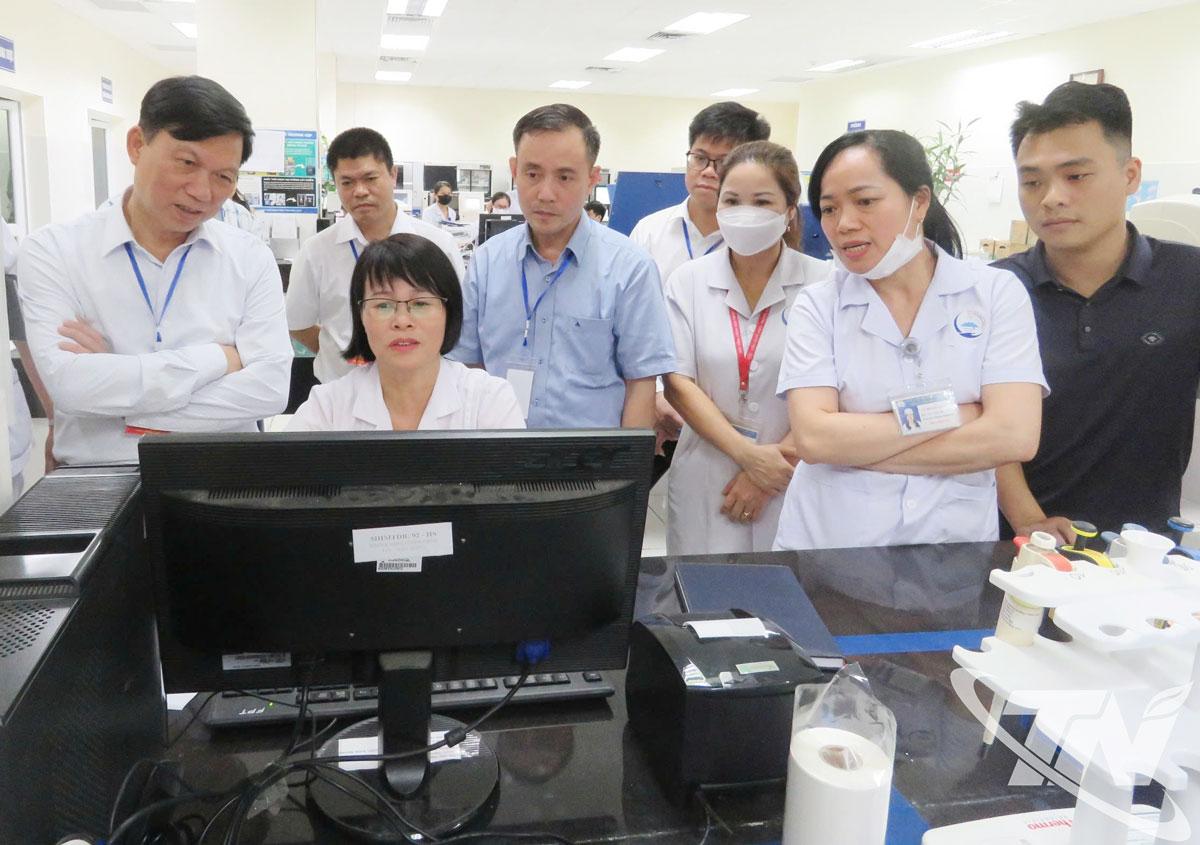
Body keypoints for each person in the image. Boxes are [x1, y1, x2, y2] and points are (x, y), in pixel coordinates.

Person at [774, 129, 1047, 550]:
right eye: (829, 209)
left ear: (918, 201)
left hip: (950, 553)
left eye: (865, 201)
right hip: (831, 548)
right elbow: (813, 438)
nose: (844, 224)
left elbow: (1015, 436)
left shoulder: (994, 293)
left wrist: (856, 448)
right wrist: (956, 413)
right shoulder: (817, 305)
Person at [17, 75, 291, 466]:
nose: (202, 191)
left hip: (219, 478)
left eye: (223, 177)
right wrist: (217, 359)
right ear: (136, 145)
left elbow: (269, 390)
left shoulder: (249, 258)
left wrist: (121, 398)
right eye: (187, 163)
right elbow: (69, 386)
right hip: (97, 477)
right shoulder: (54, 251)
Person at [994, 82, 1200, 540]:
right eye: (1032, 181)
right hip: (1011, 545)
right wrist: (1030, 522)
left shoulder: (1188, 280)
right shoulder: (994, 289)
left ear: (1130, 175)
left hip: (1143, 551)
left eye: (1076, 176)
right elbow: (983, 425)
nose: (1051, 197)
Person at [448, 104, 674, 429]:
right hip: (497, 454)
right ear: (514, 169)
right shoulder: (487, 261)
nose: (545, 193)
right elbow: (468, 364)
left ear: (592, 178)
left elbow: (640, 382)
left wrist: (625, 473)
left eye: (565, 177)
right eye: (532, 174)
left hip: (590, 465)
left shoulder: (629, 268)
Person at [663, 141, 828, 555]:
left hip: (791, 476)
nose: (745, 211)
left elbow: (839, 388)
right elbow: (679, 383)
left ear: (791, 210)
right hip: (707, 472)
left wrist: (768, 469)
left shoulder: (824, 284)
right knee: (700, 601)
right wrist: (747, 455)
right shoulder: (689, 281)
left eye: (762, 201)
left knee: (784, 600)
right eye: (733, 200)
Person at [630, 101, 772, 480]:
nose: (709, 172)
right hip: (659, 403)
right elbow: (632, 329)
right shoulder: (650, 232)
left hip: (734, 412)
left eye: (723, 161)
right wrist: (656, 396)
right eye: (700, 158)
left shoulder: (761, 242)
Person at [288, 234, 524, 431]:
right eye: (383, 305)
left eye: (420, 303)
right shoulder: (327, 408)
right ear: (360, 315)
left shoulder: (490, 401)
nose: (402, 321)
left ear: (448, 312)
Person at [286, 128, 463, 387]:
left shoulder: (437, 244)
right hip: (342, 394)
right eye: (347, 182)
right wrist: (344, 351)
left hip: (421, 392)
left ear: (393, 175)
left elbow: (457, 319)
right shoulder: (316, 251)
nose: (360, 191)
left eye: (370, 178)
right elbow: (299, 325)